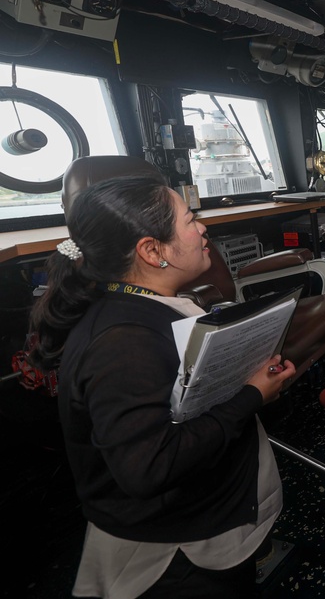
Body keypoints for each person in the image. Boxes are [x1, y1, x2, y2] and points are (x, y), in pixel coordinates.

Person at [29, 176, 296, 598]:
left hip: (212, 519)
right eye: (191, 220)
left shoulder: (149, 305)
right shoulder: (123, 344)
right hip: (181, 557)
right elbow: (148, 467)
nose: (203, 228)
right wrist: (252, 395)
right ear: (152, 251)